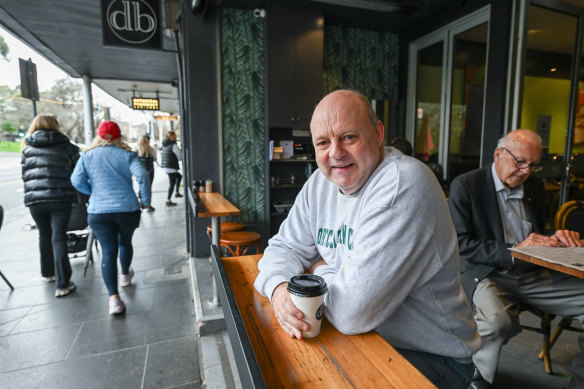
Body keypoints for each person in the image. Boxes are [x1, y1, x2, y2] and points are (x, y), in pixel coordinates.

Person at [254, 89, 481, 389]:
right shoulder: (320, 183)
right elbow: (281, 248)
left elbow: (351, 312)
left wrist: (315, 270)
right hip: (366, 339)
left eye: (349, 137)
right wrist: (281, 288)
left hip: (435, 359)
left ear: (377, 134)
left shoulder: (404, 185)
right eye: (323, 142)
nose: (335, 153)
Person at [448, 129, 584, 389]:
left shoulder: (534, 186)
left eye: (533, 165)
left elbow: (537, 234)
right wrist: (515, 250)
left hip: (533, 273)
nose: (526, 172)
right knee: (497, 321)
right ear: (499, 154)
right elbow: (462, 245)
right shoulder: (467, 185)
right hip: (489, 273)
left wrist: (557, 236)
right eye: (520, 162)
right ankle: (474, 381)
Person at [71, 121, 151, 315]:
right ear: (118, 136)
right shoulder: (127, 155)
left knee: (108, 251)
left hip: (99, 212)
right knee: (125, 243)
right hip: (127, 209)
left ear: (98, 136)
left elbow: (76, 180)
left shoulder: (87, 156)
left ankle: (114, 300)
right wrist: (146, 200)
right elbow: (143, 176)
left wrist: (93, 192)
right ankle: (125, 276)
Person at [21, 114, 79, 297]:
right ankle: (63, 284)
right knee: (58, 237)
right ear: (55, 125)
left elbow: (25, 175)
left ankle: (48, 273)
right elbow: (76, 172)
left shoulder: (27, 148)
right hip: (60, 197)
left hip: (35, 200)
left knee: (44, 234)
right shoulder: (67, 147)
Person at [160, 130, 182, 206]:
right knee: (171, 184)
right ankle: (168, 200)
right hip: (171, 167)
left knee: (179, 176)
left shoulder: (165, 145)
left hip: (166, 166)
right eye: (175, 135)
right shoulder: (174, 145)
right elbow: (180, 157)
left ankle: (177, 192)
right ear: (171, 136)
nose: (176, 137)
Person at [135, 134, 156, 212]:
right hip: (150, 171)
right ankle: (148, 205)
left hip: (140, 171)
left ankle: (139, 203)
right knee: (148, 187)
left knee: (141, 187)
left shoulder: (136, 148)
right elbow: (155, 158)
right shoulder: (151, 149)